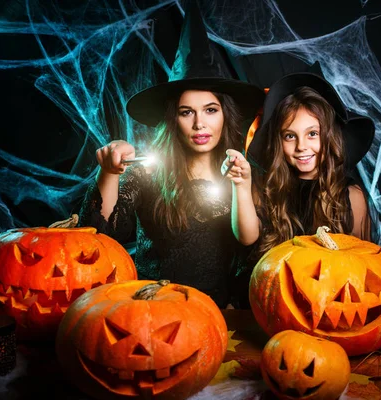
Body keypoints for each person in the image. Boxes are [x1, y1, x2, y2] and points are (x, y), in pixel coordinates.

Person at [78, 1, 265, 309]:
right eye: (186, 112)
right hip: (153, 311)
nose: (199, 123)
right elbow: (99, 235)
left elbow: (249, 240)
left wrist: (241, 186)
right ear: (173, 120)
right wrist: (109, 172)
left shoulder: (243, 172)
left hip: (219, 317)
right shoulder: (149, 174)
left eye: (210, 110)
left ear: (225, 116)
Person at [229, 62, 376, 261]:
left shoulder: (350, 196)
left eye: (312, 134)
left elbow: (364, 260)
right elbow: (246, 238)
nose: (301, 146)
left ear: (329, 137)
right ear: (279, 142)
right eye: (290, 136)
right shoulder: (267, 187)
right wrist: (241, 185)